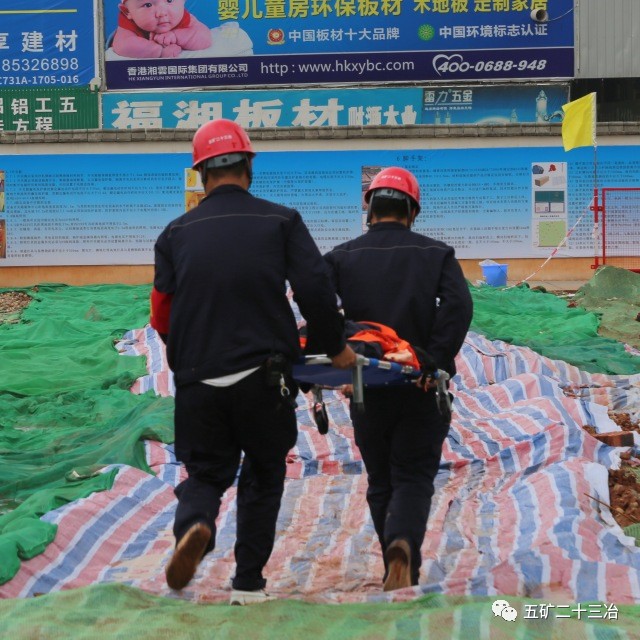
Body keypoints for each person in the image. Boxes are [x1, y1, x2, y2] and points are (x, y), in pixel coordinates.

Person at [150, 118, 356, 605]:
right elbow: (315, 290)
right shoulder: (281, 221)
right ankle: (247, 584)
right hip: (264, 377)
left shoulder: (175, 233)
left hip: (199, 378)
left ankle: (196, 523)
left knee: (205, 473)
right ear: (249, 166)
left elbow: (161, 313)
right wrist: (333, 348)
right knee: (263, 472)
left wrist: (189, 357)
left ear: (201, 173)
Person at [324, 166, 473, 591]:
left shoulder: (340, 257)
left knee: (381, 480)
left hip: (366, 385)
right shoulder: (436, 254)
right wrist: (432, 360)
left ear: (369, 208)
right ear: (412, 211)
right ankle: (403, 545)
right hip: (421, 387)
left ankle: (393, 551)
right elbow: (459, 307)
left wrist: (338, 358)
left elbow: (320, 309)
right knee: (413, 475)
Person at [113, 0, 212, 59]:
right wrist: (159, 51)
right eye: (148, 5)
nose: (162, 13)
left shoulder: (183, 17)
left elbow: (205, 38)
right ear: (127, 11)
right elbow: (122, 46)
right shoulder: (128, 23)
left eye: (169, 0)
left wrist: (175, 36)